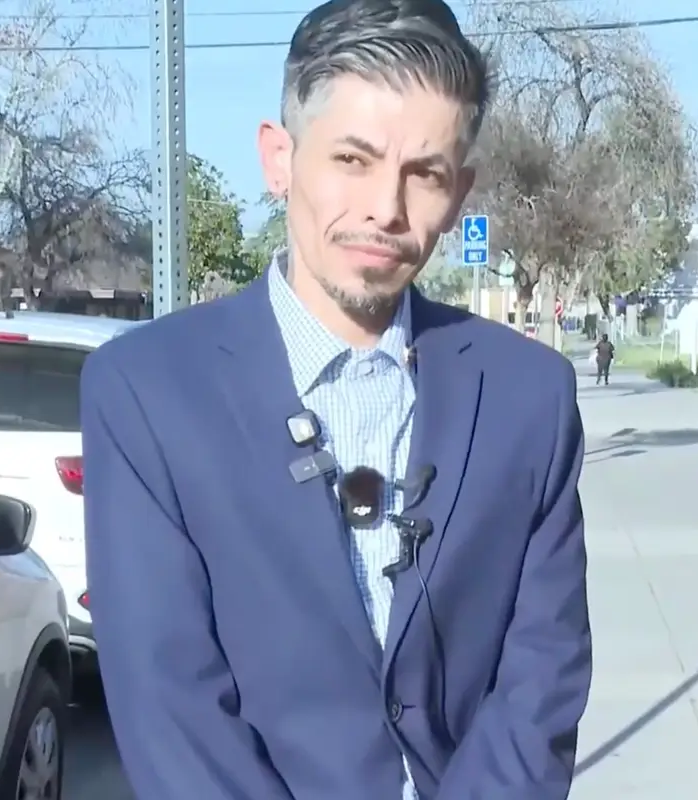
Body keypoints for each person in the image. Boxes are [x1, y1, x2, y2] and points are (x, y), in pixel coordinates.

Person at [80, 0, 592, 797]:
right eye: (352, 160)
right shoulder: (145, 394)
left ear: (458, 195)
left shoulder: (531, 397)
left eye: (423, 174)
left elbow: (543, 681)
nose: (385, 210)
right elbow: (169, 708)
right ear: (279, 159)